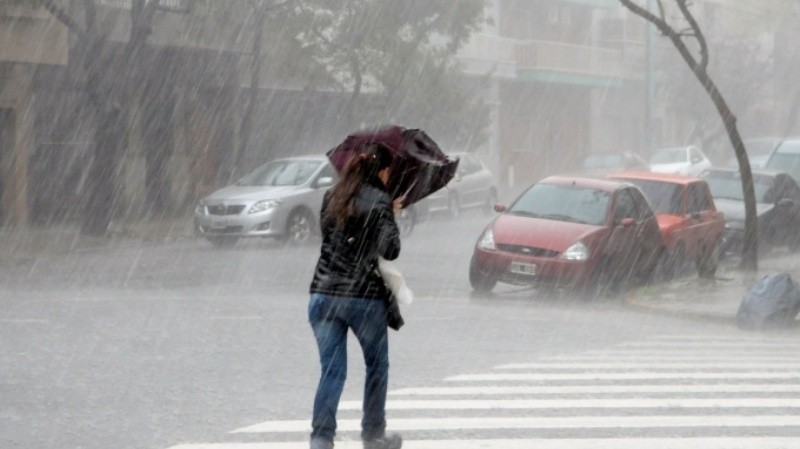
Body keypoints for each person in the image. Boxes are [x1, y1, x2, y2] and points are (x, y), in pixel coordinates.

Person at [308, 143, 404, 449]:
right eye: (390, 171)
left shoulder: (331, 196)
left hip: (323, 294)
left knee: (332, 371)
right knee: (377, 366)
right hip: (363, 298)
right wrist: (390, 214)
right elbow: (391, 250)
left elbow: (330, 237)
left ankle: (321, 440)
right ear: (382, 171)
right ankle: (373, 435)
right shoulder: (379, 201)